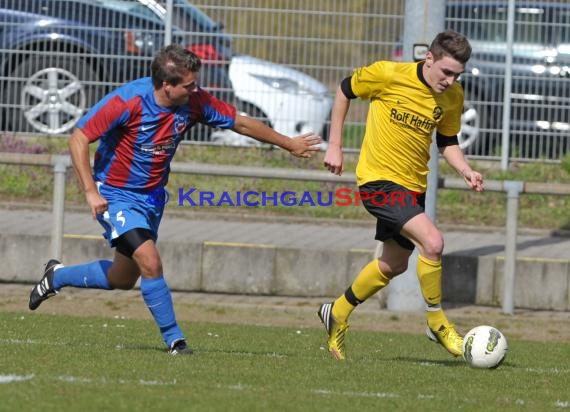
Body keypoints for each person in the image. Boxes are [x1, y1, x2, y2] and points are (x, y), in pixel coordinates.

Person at [28, 44, 321, 355]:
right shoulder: (128, 101)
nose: (196, 89)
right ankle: (175, 340)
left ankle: (56, 276)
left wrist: (289, 143)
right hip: (115, 195)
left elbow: (241, 122)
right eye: (189, 84)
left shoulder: (194, 103)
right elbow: (79, 137)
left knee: (122, 278)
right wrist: (90, 190)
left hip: (152, 199)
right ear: (166, 85)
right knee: (150, 262)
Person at [317, 30, 484, 360]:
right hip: (378, 183)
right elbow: (344, 90)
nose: (450, 81)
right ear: (429, 58)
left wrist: (465, 169)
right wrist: (334, 145)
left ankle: (336, 311)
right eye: (446, 72)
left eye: (457, 75)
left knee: (393, 264)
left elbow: (447, 141)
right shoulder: (388, 74)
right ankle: (437, 323)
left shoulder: (452, 97)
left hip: (412, 188)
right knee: (433, 243)